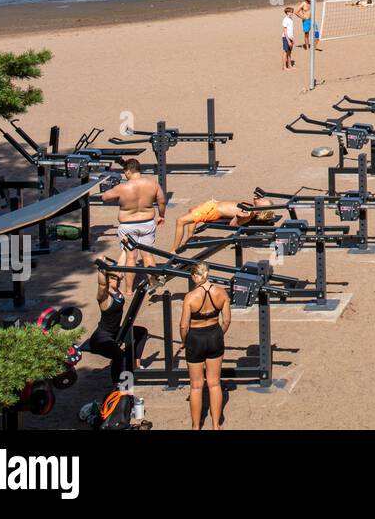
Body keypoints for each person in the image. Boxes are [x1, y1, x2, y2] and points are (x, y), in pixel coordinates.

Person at [101, 158, 167, 296]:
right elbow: (161, 201)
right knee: (147, 254)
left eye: (125, 172)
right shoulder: (152, 184)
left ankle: (129, 289)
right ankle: (152, 282)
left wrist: (113, 189)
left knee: (131, 257)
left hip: (128, 225)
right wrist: (161, 216)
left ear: (129, 171)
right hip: (147, 222)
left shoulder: (123, 187)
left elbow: (105, 197)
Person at [179, 262, 230, 430]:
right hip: (215, 335)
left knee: (196, 385)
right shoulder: (221, 293)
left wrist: (185, 341)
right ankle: (216, 425)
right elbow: (227, 320)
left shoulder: (191, 297)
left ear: (195, 276)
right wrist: (218, 334)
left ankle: (196, 426)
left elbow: (184, 326)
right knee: (214, 383)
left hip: (195, 338)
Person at [80, 267, 147, 387]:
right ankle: (117, 383)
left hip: (116, 332)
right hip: (101, 338)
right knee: (119, 355)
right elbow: (101, 284)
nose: (118, 280)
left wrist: (127, 249)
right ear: (108, 280)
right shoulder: (104, 297)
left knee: (141, 332)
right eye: (113, 278)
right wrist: (101, 269)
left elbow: (120, 267)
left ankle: (136, 364)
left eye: (117, 278)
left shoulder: (117, 292)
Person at [173, 196, 274, 250]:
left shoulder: (248, 214)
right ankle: (190, 239)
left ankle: (174, 250)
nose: (262, 199)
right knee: (192, 210)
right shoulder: (251, 207)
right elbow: (255, 198)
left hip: (212, 211)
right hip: (213, 204)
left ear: (261, 210)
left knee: (180, 221)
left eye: (263, 201)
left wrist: (238, 217)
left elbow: (233, 226)